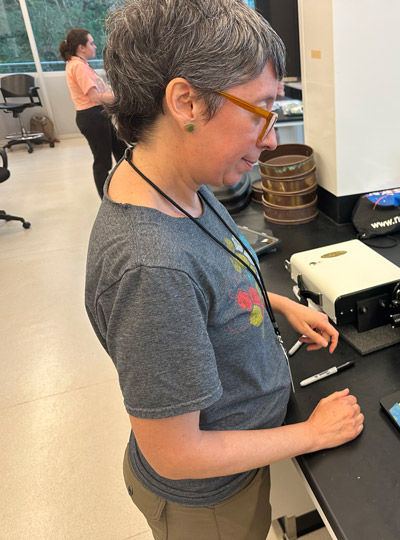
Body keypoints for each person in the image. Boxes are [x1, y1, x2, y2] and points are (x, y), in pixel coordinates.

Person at [84, 1, 364, 539]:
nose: (272, 139)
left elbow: (211, 276)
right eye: (260, 109)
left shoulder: (174, 179)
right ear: (186, 102)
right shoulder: (151, 268)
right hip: (208, 503)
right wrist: (313, 433)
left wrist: (276, 303)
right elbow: (176, 454)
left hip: (238, 456)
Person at [59, 28, 126, 198]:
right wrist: (122, 98)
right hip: (92, 117)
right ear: (81, 47)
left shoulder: (80, 64)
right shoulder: (78, 67)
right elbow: (94, 97)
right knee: (102, 162)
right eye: (91, 43)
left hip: (98, 115)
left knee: (121, 150)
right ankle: (105, 200)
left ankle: (128, 184)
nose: (95, 46)